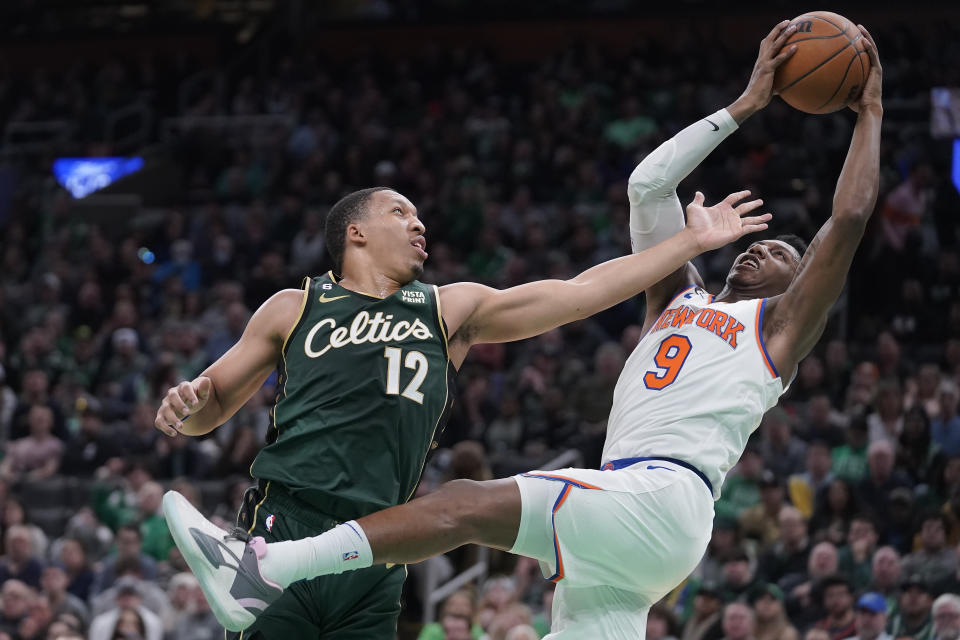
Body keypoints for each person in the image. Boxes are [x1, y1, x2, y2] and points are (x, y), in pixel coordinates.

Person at [164, 21, 884, 640]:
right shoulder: (679, 301)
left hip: (657, 497)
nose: (764, 250)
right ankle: (270, 563)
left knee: (462, 505)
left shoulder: (779, 329)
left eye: (785, 255)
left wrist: (871, 111)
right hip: (609, 515)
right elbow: (646, 188)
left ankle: (262, 571)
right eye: (399, 213)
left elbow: (844, 223)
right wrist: (746, 105)